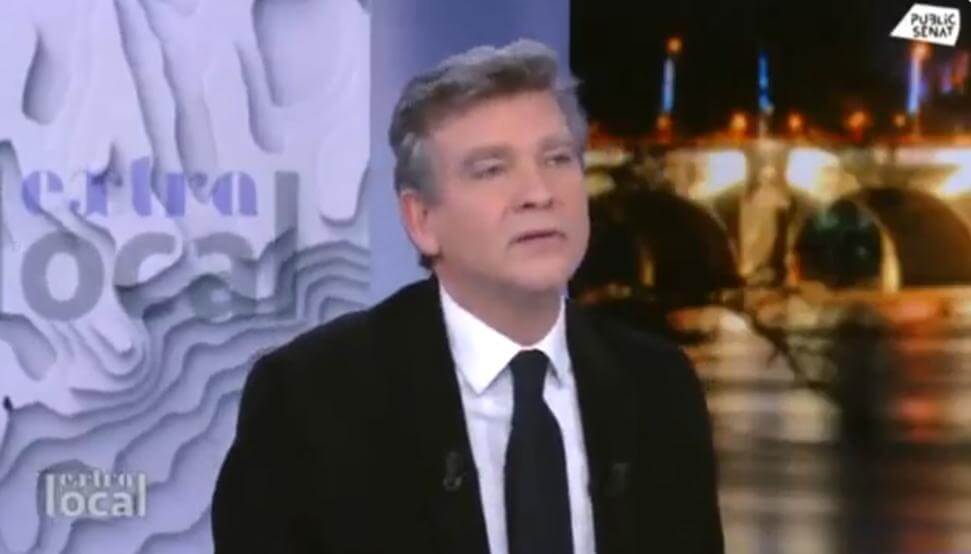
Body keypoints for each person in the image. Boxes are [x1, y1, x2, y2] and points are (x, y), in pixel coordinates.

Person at [211, 39, 723, 554]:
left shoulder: (660, 387)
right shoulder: (311, 399)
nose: (539, 193)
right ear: (421, 220)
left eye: (557, 158)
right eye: (492, 169)